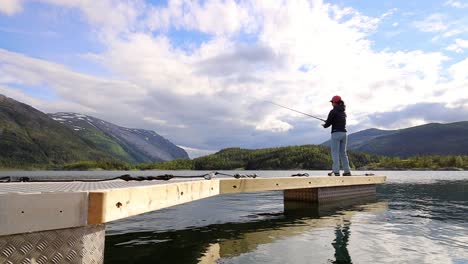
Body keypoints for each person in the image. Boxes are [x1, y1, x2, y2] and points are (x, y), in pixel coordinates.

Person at [322, 95, 351, 176]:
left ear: (335, 102)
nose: (331, 103)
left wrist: (324, 125)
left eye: (332, 102)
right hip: (344, 134)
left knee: (335, 153)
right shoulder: (343, 112)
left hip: (336, 133)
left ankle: (336, 171)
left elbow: (328, 124)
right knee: (343, 153)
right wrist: (329, 122)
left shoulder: (333, 111)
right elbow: (335, 121)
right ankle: (347, 171)